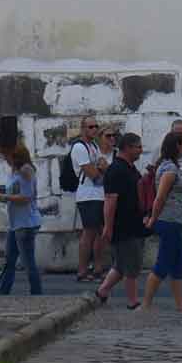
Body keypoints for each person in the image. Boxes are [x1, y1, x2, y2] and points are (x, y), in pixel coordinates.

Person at [94, 130, 148, 310]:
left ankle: (102, 292)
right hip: (123, 224)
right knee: (132, 264)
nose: (141, 150)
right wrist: (108, 227)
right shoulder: (116, 170)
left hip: (134, 222)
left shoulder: (130, 168)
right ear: (127, 148)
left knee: (121, 264)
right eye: (138, 147)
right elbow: (110, 200)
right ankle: (132, 302)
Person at [141, 131, 182, 313]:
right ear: (176, 146)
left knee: (178, 264)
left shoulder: (170, 166)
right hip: (168, 220)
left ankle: (181, 304)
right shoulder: (170, 169)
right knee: (163, 263)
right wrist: (153, 218)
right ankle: (146, 303)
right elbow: (160, 197)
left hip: (175, 220)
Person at [0, 142, 44, 297]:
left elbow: (26, 197)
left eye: (7, 156)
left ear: (15, 156)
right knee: (9, 261)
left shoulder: (26, 170)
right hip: (16, 224)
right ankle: (3, 292)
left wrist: (1, 196)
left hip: (26, 224)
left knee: (28, 263)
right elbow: (13, 193)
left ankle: (36, 294)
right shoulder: (15, 171)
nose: (5, 159)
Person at [68, 116, 108, 282]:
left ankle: (98, 269)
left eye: (96, 126)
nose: (94, 129)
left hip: (99, 194)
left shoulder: (93, 146)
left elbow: (103, 164)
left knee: (100, 232)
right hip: (88, 196)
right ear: (83, 129)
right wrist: (101, 169)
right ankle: (82, 271)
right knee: (89, 232)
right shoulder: (79, 147)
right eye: (91, 127)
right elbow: (93, 174)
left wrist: (101, 168)